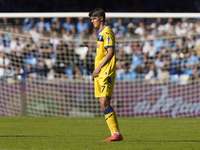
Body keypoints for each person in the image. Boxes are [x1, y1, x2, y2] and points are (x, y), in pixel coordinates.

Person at [89, 8, 123, 142]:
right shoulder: (100, 33)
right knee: (102, 104)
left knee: (105, 102)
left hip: (106, 72)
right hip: (100, 74)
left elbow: (110, 52)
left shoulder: (107, 31)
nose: (92, 22)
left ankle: (116, 133)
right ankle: (115, 133)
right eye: (91, 19)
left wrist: (98, 68)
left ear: (101, 18)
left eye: (94, 19)